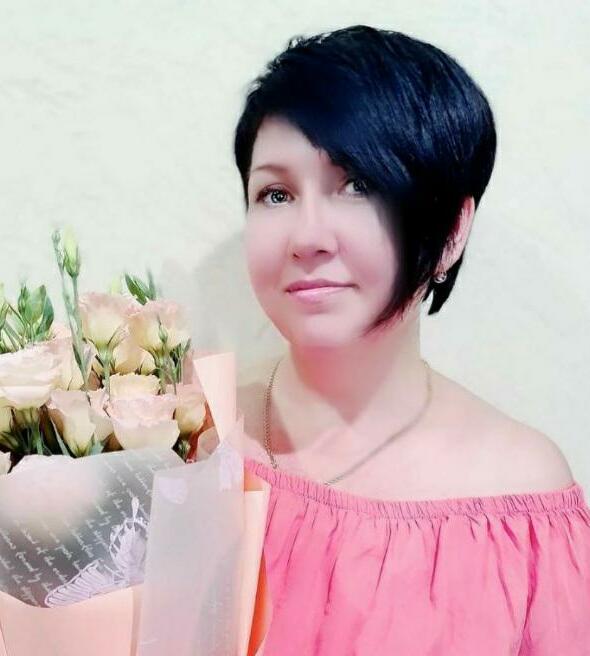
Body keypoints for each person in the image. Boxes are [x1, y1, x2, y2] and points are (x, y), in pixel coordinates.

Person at [227, 24, 590, 654]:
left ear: (451, 231)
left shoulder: (521, 498)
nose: (307, 237)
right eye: (276, 193)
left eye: (359, 185)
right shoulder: (189, 431)